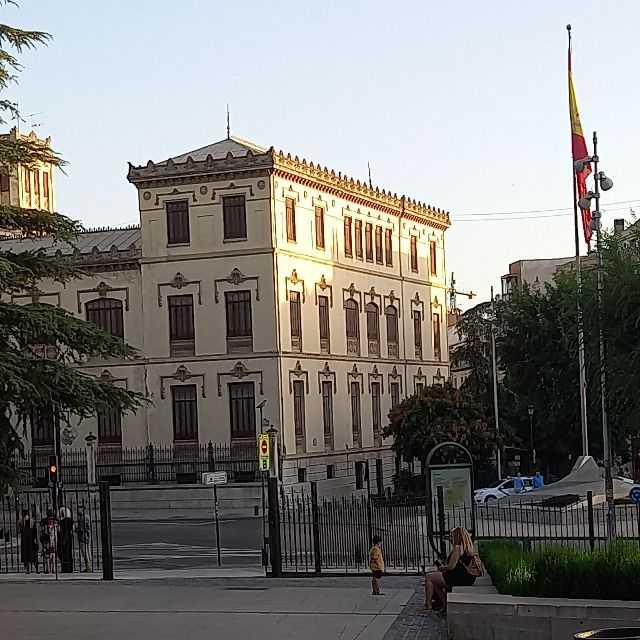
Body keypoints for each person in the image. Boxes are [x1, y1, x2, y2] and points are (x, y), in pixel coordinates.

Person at [424, 527, 483, 611]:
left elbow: (451, 566)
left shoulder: (457, 547)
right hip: (468, 578)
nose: (450, 538)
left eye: (451, 536)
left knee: (429, 577)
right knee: (435, 582)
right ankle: (444, 604)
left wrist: (442, 567)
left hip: (458, 578)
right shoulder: (468, 547)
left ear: (457, 537)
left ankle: (428, 605)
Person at [18, 509, 38, 574]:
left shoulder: (21, 521)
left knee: (26, 554)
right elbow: (35, 530)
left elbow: (20, 530)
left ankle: (27, 569)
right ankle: (35, 568)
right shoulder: (32, 521)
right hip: (30, 538)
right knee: (31, 553)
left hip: (25, 538)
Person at [58, 507, 74, 573]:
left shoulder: (62, 521)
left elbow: (59, 530)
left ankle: (65, 568)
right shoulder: (71, 521)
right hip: (69, 538)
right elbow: (73, 529)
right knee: (68, 553)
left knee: (64, 554)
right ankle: (70, 568)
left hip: (63, 538)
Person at [76, 505, 91, 573]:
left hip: (83, 537)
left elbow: (81, 529)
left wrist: (76, 529)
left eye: (79, 509)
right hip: (87, 536)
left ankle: (88, 567)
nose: (77, 511)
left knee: (85, 553)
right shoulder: (87, 517)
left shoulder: (82, 518)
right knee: (87, 551)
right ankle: (88, 566)